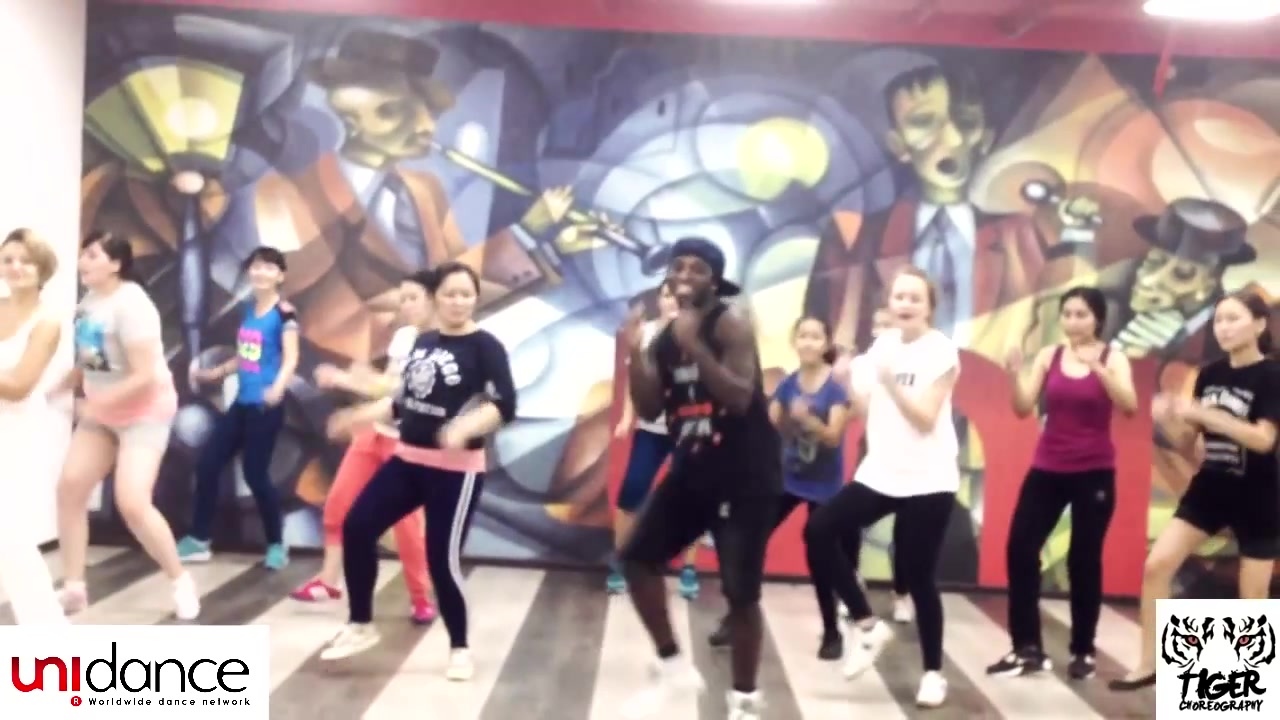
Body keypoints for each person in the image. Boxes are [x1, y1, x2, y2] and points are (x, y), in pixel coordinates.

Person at [318, 261, 516, 683]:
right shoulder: (424, 342)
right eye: (450, 294)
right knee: (357, 526)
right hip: (408, 461)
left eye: (466, 294)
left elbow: (505, 405)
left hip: (456, 472)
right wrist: (357, 416)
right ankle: (360, 624)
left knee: (441, 560)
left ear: (475, 298)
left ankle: (460, 647)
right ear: (436, 298)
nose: (458, 301)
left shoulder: (485, 346)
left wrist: (466, 427)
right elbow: (402, 402)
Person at [617, 237, 780, 720]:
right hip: (692, 469)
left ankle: (745, 701)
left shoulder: (730, 323)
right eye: (678, 266)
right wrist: (637, 354)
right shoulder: (665, 337)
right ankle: (672, 667)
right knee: (637, 559)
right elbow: (650, 409)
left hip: (745, 475)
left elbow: (739, 396)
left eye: (698, 268)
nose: (685, 275)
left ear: (715, 278)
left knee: (739, 591)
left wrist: (696, 347)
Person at [804, 266, 960, 709]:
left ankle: (933, 674)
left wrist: (890, 380)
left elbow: (925, 419)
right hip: (881, 472)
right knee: (819, 530)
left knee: (918, 575)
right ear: (889, 303)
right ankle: (867, 625)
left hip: (929, 478)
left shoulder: (941, 351)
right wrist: (846, 382)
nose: (905, 304)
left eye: (915, 298)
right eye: (899, 297)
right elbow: (866, 409)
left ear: (929, 307)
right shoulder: (884, 346)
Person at [1110, 291, 1280, 691]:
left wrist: (1206, 414)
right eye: (1219, 320)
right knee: (1157, 566)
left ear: (1259, 325)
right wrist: (1172, 421)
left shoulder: (1271, 375)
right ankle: (1149, 664)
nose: (1224, 328)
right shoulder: (1209, 374)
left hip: (1258, 494)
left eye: (1233, 319)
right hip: (1210, 488)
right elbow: (1192, 443)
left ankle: (1249, 688)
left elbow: (1263, 440)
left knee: (1252, 595)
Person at [986, 286, 1137, 680]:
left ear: (1098, 319)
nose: (1072, 321)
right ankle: (1026, 647)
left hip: (1094, 471)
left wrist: (1099, 370)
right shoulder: (1049, 355)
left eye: (1081, 314)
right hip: (1048, 467)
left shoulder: (1113, 357)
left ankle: (1083, 650)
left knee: (1083, 560)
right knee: (1020, 548)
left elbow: (1129, 405)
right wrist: (1014, 373)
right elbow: (1023, 407)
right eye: (1067, 314)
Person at [53, 230, 199, 619]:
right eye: (83, 254)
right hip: (104, 413)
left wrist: (96, 406)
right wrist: (59, 387)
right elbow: (92, 359)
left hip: (143, 413)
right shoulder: (88, 302)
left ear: (116, 264)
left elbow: (145, 377)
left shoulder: (133, 306)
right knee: (70, 488)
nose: (84, 262)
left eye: (93, 255)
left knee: (133, 502)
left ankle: (180, 580)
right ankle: (73, 588)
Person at [291, 269, 438, 625]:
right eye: (402, 299)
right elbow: (388, 382)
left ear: (433, 300)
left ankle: (421, 598)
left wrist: (346, 381)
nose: (405, 306)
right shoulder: (404, 336)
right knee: (337, 505)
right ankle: (328, 582)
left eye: (413, 298)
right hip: (375, 436)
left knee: (408, 527)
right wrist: (356, 381)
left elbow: (399, 395)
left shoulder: (443, 347)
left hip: (409, 446)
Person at [707, 315, 853, 660]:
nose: (808, 342)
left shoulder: (835, 389)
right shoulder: (788, 385)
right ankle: (737, 617)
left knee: (820, 557)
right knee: (748, 542)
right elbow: (767, 424)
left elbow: (834, 437)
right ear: (794, 342)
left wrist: (807, 420)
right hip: (787, 480)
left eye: (815, 336)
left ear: (826, 344)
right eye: (802, 335)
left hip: (825, 487)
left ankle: (832, 632)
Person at [177, 247, 298, 569]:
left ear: (280, 275)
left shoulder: (285, 313)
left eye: (269, 267)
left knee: (255, 475)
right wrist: (216, 373)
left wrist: (278, 388)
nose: (260, 272)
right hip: (241, 404)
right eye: (256, 267)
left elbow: (291, 358)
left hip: (265, 407)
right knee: (208, 465)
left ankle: (276, 545)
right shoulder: (248, 310)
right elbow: (245, 355)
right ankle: (199, 539)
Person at [609, 280, 700, 599]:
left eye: (680, 297)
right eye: (667, 295)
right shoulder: (645, 333)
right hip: (651, 429)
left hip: (688, 429)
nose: (673, 301)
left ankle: (688, 568)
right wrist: (626, 417)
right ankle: (620, 560)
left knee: (691, 497)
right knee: (631, 492)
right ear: (658, 300)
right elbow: (634, 382)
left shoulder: (698, 335)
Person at [0, 230, 70, 624]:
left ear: (42, 267)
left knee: (11, 537)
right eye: (8, 259)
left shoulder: (47, 322)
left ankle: (48, 632)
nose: (16, 267)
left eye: (25, 260)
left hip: (17, 435)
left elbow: (19, 385)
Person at [838, 307, 914, 625]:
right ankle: (854, 586)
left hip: (911, 457)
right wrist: (846, 380)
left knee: (906, 530)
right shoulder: (862, 365)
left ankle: (902, 594)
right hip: (872, 453)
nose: (882, 330)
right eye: (878, 324)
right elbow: (865, 413)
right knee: (847, 521)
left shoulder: (916, 363)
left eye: (889, 324)